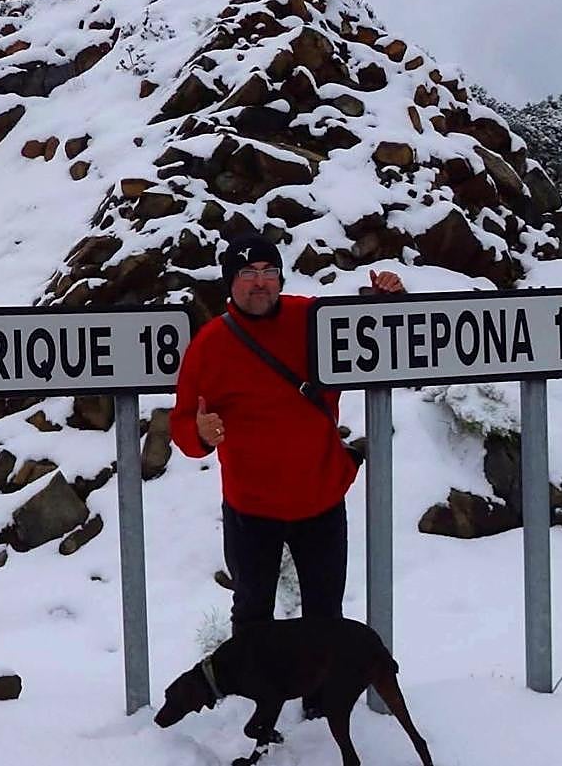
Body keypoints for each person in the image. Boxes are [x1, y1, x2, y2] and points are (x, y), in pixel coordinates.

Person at [170, 233, 405, 644]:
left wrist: (393, 297)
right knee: (251, 611)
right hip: (252, 508)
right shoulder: (209, 346)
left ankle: (321, 702)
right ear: (230, 282)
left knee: (325, 611)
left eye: (268, 272)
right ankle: (255, 698)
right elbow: (183, 426)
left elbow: (387, 333)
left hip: (320, 499)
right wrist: (200, 435)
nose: (259, 282)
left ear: (280, 278)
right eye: (247, 273)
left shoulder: (313, 320)